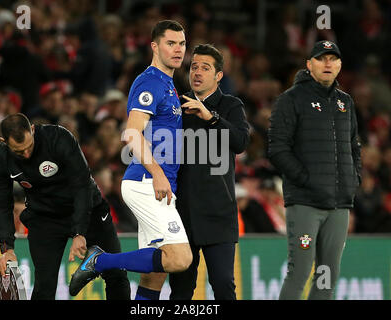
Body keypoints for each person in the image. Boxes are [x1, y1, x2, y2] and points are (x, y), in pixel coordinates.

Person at [69, 20, 192, 300]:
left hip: (158, 184)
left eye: (182, 44)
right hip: (147, 182)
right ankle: (98, 262)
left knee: (155, 273)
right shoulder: (149, 81)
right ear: (154, 46)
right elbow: (132, 134)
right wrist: (158, 174)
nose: (178, 49)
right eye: (170, 43)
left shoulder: (169, 84)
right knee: (179, 258)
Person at [0, 113, 130, 300]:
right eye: (18, 151)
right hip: (44, 218)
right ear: (4, 141)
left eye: (29, 147)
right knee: (43, 286)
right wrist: (7, 248)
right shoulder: (1, 158)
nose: (26, 154)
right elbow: (1, 204)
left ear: (32, 129)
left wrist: (79, 232)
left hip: (88, 210)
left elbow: (82, 186)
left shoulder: (59, 138)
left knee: (116, 273)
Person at [268, 40, 362, 300]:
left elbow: (354, 145)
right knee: (299, 273)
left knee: (327, 276)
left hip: (338, 205)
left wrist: (353, 180)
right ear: (309, 64)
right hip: (306, 203)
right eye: (321, 58)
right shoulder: (291, 99)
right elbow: (277, 149)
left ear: (341, 65)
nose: (328, 64)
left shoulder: (346, 102)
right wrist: (305, 180)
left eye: (333, 59)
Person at [169, 44, 250, 300]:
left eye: (205, 68)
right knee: (181, 291)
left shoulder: (230, 105)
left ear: (218, 76)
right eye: (194, 67)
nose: (197, 72)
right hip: (183, 215)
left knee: (224, 285)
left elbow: (240, 142)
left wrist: (211, 117)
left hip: (219, 213)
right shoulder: (176, 106)